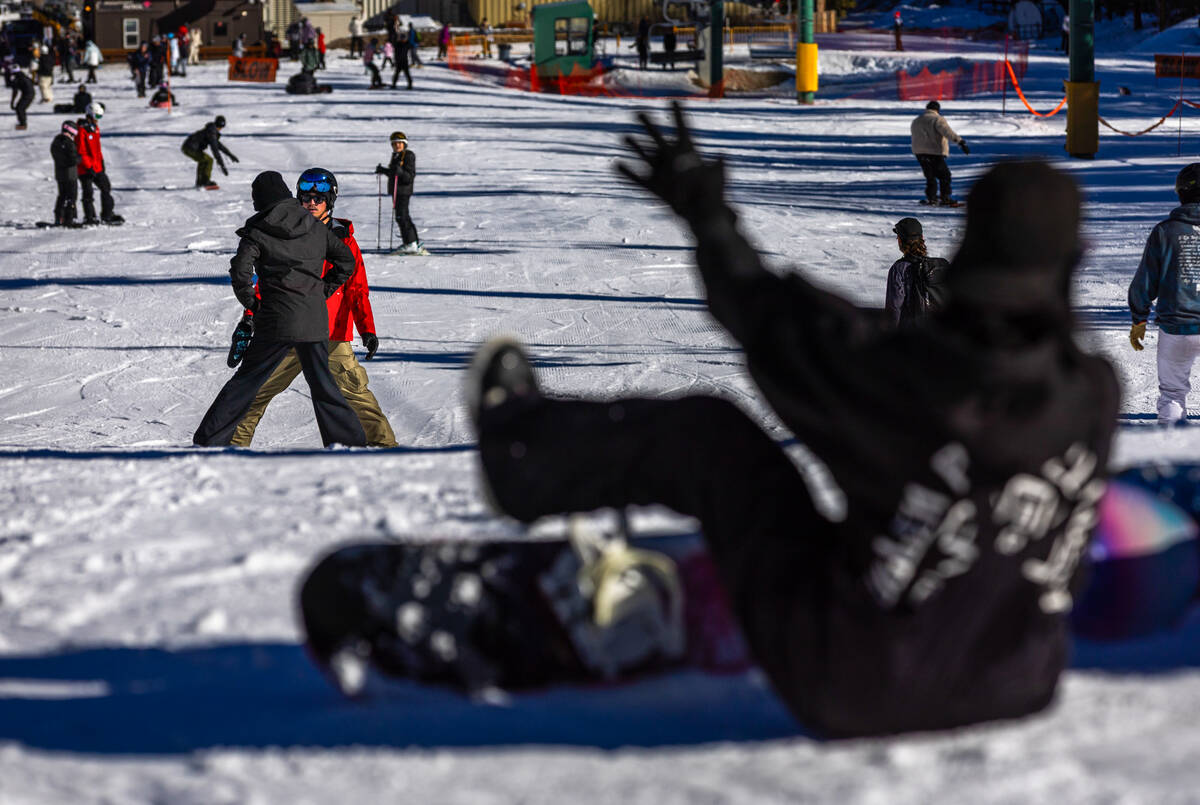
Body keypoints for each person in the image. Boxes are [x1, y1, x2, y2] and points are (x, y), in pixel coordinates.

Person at [465, 104, 1119, 738]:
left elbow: (762, 310)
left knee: (710, 437)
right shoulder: (1096, 392)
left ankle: (520, 456)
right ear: (1074, 261)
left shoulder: (896, 376)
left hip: (850, 680)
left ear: (967, 249)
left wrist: (707, 214)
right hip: (1022, 682)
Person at [193, 171, 367, 448]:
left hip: (274, 321)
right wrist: (320, 291)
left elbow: (240, 273)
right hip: (313, 321)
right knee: (324, 387)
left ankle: (210, 441)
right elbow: (346, 261)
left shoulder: (259, 230)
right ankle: (350, 443)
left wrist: (255, 305)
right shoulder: (314, 226)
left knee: (246, 384)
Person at [230, 168, 397, 448]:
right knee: (254, 391)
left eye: (318, 198)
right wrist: (250, 317)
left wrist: (366, 329)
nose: (311, 203)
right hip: (287, 330)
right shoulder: (285, 233)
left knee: (355, 394)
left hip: (330, 334)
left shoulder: (342, 239)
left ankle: (384, 448)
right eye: (305, 197)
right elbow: (269, 282)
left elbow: (357, 289)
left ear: (329, 201)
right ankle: (230, 448)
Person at [1128, 163, 1200, 425]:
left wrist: (1139, 318)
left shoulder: (1165, 232)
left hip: (1178, 327)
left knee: (1172, 395)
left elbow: (1145, 281)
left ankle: (1168, 449)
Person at [884, 216, 948, 325]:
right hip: (940, 333)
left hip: (912, 335)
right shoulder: (941, 265)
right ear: (922, 237)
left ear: (899, 241)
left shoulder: (899, 269)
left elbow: (894, 308)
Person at [910, 100, 968, 206]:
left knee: (930, 176)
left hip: (919, 153)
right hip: (934, 152)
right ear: (937, 109)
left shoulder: (917, 120)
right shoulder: (937, 119)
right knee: (945, 175)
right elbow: (947, 132)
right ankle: (945, 197)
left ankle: (932, 198)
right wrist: (960, 141)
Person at [375, 130, 423, 253]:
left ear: (404, 144)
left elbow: (409, 176)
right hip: (397, 191)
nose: (397, 145)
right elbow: (394, 173)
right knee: (401, 216)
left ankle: (411, 243)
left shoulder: (408, 155)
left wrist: (400, 172)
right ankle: (413, 243)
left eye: (400, 143)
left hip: (403, 191)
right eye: (395, 143)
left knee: (402, 217)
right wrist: (383, 170)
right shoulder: (396, 156)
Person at [77, 102, 123, 225]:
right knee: (88, 192)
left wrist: (101, 162)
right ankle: (89, 217)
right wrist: (88, 166)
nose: (98, 120)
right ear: (90, 115)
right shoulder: (81, 130)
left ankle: (107, 214)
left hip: (97, 166)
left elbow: (97, 149)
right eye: (97, 117)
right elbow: (81, 151)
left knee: (106, 187)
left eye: (100, 117)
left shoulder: (95, 129)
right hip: (85, 168)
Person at [182, 114, 237, 189]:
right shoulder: (211, 132)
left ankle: (200, 182)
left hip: (189, 147)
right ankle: (205, 181)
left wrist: (230, 155)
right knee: (208, 160)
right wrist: (222, 165)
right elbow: (215, 150)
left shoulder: (211, 130)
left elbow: (219, 146)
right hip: (190, 148)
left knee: (203, 160)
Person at [50, 119, 80, 226]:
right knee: (71, 196)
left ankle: (59, 217)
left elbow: (57, 157)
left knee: (62, 195)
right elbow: (72, 159)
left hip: (60, 174)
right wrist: (78, 158)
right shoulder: (68, 143)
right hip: (70, 174)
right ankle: (69, 218)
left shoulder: (56, 141)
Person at [9, 64, 34, 129]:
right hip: (30, 93)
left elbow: (15, 92)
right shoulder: (22, 74)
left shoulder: (16, 78)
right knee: (20, 108)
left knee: (20, 108)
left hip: (28, 94)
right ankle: (22, 123)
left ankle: (23, 124)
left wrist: (12, 102)